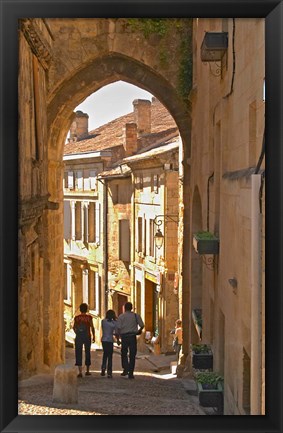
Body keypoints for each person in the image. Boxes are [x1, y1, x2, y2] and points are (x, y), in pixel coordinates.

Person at [116, 302, 144, 379]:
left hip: (124, 337)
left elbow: (118, 328)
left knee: (124, 353)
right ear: (131, 308)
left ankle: (125, 369)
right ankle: (131, 372)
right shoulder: (135, 316)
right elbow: (142, 325)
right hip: (132, 336)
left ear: (124, 308)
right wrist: (139, 331)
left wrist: (118, 339)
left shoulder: (121, 316)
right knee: (132, 355)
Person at [73, 303, 95, 378]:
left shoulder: (77, 318)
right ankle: (87, 371)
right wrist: (93, 336)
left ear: (80, 309)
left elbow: (74, 327)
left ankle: (80, 372)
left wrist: (77, 333)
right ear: (87, 309)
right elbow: (92, 327)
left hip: (79, 337)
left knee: (78, 352)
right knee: (87, 352)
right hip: (87, 336)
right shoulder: (89, 318)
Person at [100, 309, 120, 378]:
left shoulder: (103, 321)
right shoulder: (114, 323)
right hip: (110, 340)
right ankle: (109, 372)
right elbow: (116, 333)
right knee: (110, 356)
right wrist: (118, 340)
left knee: (105, 354)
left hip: (104, 339)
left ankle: (103, 368)